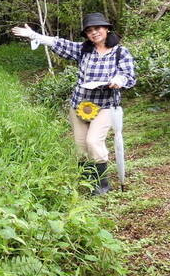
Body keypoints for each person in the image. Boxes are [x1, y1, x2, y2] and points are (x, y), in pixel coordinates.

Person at [12, 13, 136, 194]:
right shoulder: (83, 50)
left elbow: (128, 75)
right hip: (79, 104)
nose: (94, 33)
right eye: (89, 30)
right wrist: (34, 35)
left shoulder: (120, 52)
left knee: (93, 142)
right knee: (80, 147)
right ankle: (87, 182)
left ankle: (102, 185)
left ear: (107, 29)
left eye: (98, 28)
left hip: (106, 105)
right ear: (86, 34)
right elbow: (58, 43)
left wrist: (119, 79)